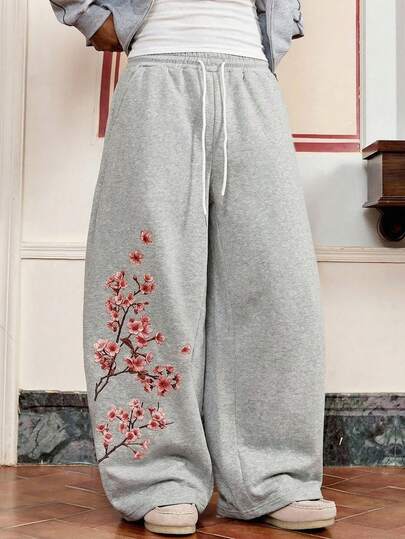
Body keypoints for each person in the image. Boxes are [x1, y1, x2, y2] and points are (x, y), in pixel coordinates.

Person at [50, 0, 337, 534]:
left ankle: (273, 476)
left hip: (250, 74)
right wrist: (89, 14)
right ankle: (157, 478)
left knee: (277, 288)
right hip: (157, 72)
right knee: (152, 284)